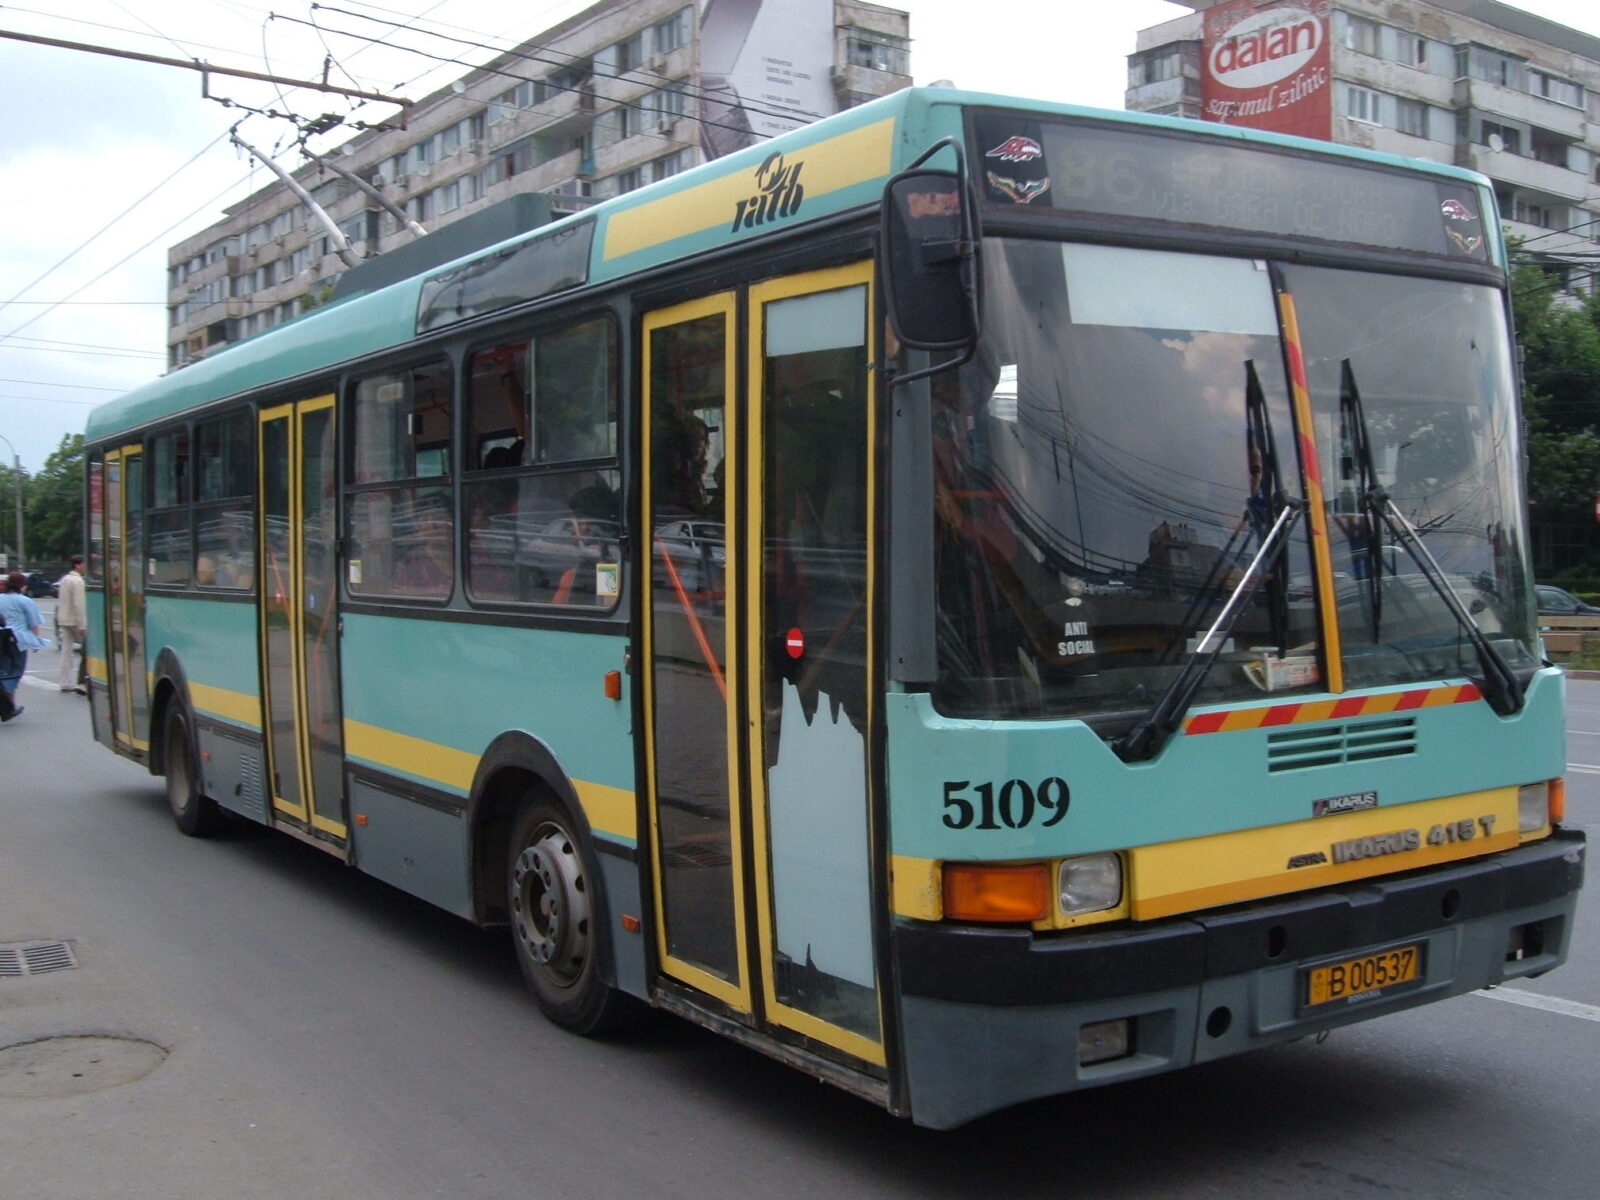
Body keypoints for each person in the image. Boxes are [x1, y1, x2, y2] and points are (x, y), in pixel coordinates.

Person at [0, 570, 49, 722]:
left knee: (4, 671)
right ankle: (7, 705)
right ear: (22, 586)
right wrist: (36, 641)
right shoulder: (25, 601)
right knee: (15, 672)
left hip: (1, 639)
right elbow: (34, 624)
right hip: (17, 641)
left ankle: (9, 706)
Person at [55, 554, 87, 694]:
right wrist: (82, 625)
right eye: (84, 564)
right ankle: (82, 681)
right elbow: (79, 604)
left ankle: (65, 682)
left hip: (64, 618)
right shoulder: (78, 581)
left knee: (66, 651)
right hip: (75, 620)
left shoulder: (64, 579)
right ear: (78, 565)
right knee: (88, 649)